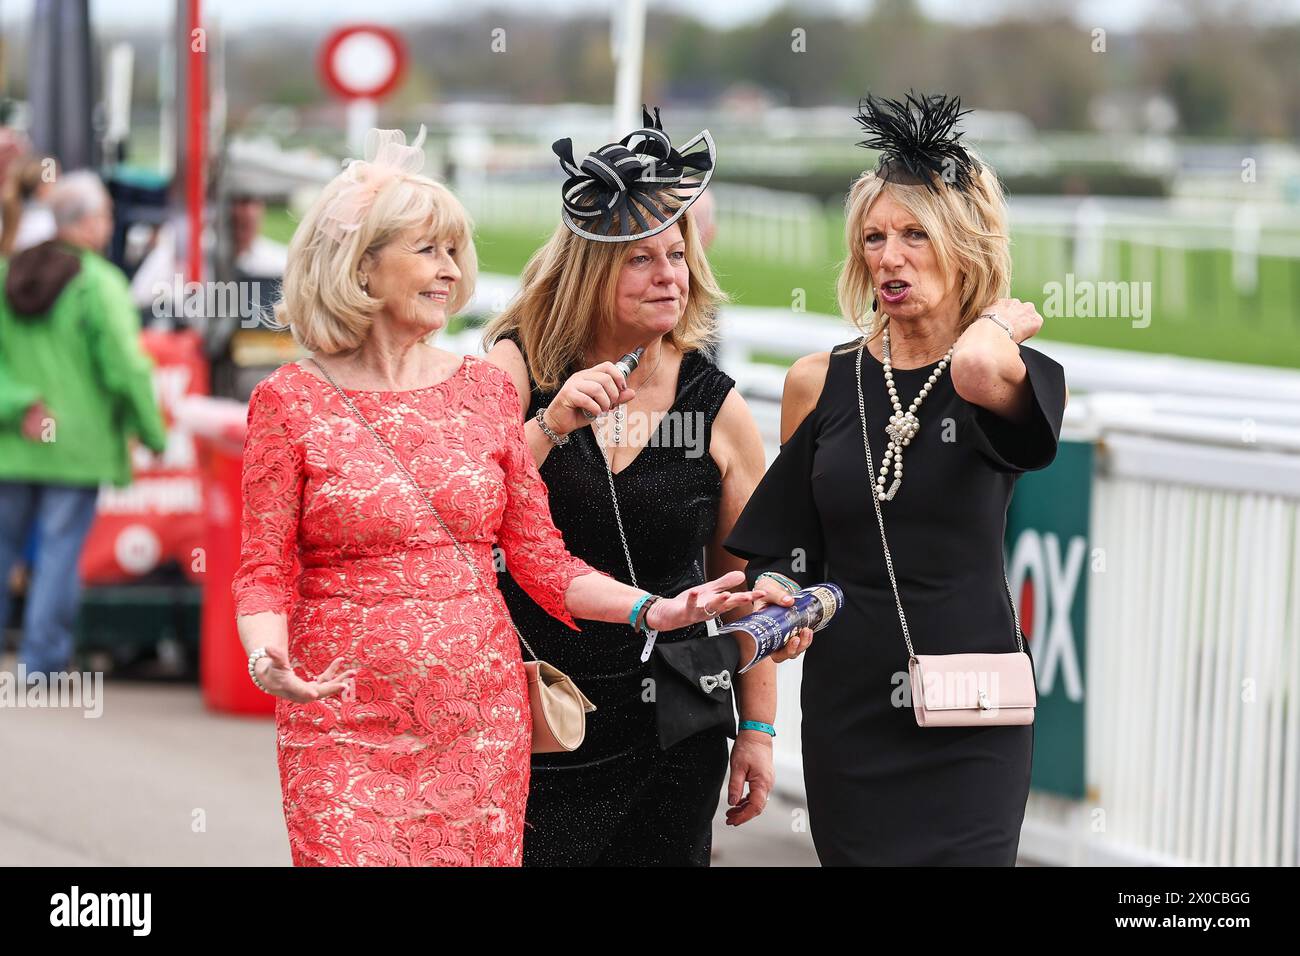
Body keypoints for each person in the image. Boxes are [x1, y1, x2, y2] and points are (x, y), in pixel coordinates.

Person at [231, 128, 756, 867]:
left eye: (454, 251)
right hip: (340, 719)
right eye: (426, 250)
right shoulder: (287, 402)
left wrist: (651, 609)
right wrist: (266, 654)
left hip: (478, 723)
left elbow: (540, 556)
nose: (449, 270)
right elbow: (262, 569)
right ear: (359, 266)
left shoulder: (481, 390)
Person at [725, 92, 1069, 865]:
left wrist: (996, 325)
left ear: (965, 247)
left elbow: (979, 369)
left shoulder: (1009, 372)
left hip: (974, 712)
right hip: (853, 715)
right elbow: (790, 545)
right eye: (874, 237)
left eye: (916, 235)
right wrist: (780, 591)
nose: (889, 257)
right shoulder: (818, 381)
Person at [485, 107, 811, 867]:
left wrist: (758, 732)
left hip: (680, 717)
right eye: (642, 260)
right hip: (541, 709)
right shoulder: (519, 370)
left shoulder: (717, 404)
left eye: (679, 254)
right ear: (593, 269)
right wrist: (551, 426)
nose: (671, 276)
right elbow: (466, 503)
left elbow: (750, 581)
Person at [0, 170, 166, 678]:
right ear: (89, 223)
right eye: (106, 216)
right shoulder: (98, 283)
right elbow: (126, 366)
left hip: (14, 441)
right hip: (77, 444)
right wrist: (152, 430)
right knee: (58, 553)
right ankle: (42, 663)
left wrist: (17, 403)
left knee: (3, 548)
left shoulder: (8, 273)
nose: (110, 225)